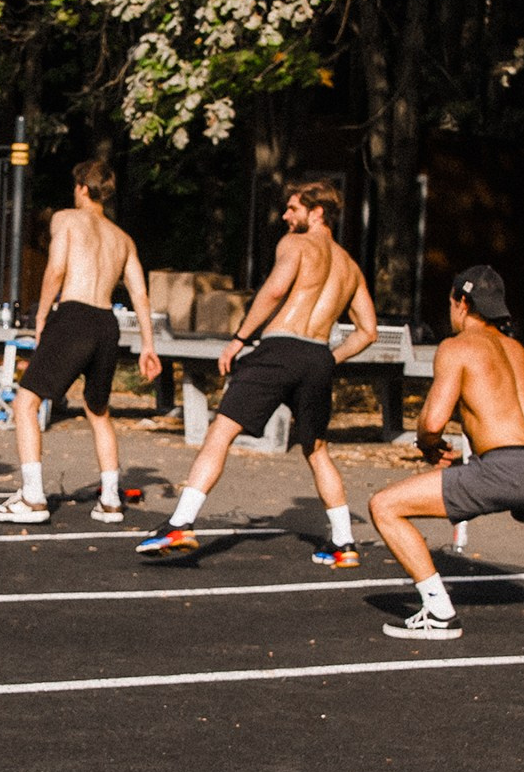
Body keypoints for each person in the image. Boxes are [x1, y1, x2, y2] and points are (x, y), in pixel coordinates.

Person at [365, 267, 524, 638]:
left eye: (451, 303)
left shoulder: (456, 347)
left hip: (506, 469)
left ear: (461, 302)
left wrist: (428, 446)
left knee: (384, 506)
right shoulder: (518, 351)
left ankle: (438, 613)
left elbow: (433, 422)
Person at [137, 180, 375, 564]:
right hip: (317, 356)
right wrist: (330, 359)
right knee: (317, 450)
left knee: (220, 432)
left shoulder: (296, 244)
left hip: (280, 348)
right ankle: (344, 543)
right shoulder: (350, 266)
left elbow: (275, 290)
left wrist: (239, 339)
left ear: (317, 212)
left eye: (293, 208)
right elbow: (368, 332)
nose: (286, 216)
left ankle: (180, 523)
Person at [0, 159, 162, 524]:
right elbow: (140, 295)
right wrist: (148, 345)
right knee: (98, 411)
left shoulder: (65, 219)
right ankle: (110, 501)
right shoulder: (122, 239)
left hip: (75, 315)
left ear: (82, 187)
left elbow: (56, 269)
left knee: (25, 403)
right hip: (106, 324)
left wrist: (41, 316)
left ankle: (33, 498)